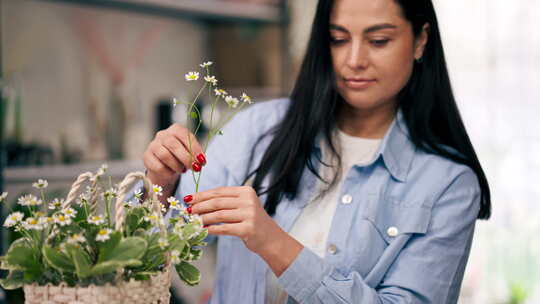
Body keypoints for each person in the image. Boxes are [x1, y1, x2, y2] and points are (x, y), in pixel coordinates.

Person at [142, 0, 491, 302]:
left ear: (420, 40)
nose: (354, 59)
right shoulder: (256, 129)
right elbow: (155, 250)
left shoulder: (449, 184)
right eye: (338, 39)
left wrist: (273, 242)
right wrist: (161, 182)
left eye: (378, 40)